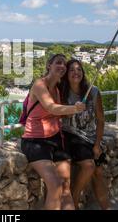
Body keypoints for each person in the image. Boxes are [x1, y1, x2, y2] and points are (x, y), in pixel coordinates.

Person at [20, 54, 86, 210]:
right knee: (55, 186)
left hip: (55, 139)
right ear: (49, 65)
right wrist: (74, 108)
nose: (62, 66)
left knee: (65, 187)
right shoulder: (39, 85)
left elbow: (58, 112)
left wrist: (72, 110)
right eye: (58, 63)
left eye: (64, 64)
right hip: (35, 142)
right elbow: (51, 107)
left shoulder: (57, 89)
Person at [60, 59, 110, 210]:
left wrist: (96, 144)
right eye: (72, 70)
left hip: (89, 138)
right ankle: (74, 199)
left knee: (98, 172)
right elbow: (57, 115)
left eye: (79, 69)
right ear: (66, 74)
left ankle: (106, 208)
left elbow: (101, 120)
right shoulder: (62, 92)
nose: (76, 73)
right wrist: (72, 109)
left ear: (83, 72)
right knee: (89, 166)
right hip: (71, 136)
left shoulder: (93, 92)